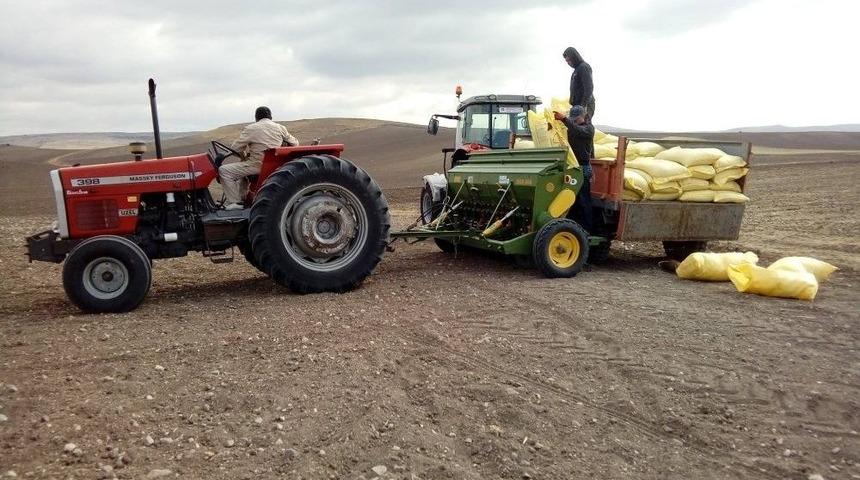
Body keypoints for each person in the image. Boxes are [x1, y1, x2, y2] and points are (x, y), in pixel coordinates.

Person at [219, 106, 299, 210]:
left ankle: (235, 202)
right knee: (243, 174)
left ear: (256, 117)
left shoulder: (251, 128)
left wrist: (244, 154)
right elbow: (295, 144)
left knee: (224, 171)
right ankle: (244, 199)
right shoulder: (280, 128)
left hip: (257, 165)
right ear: (271, 117)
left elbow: (235, 148)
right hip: (275, 166)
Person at [553, 105, 594, 233]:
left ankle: (587, 230)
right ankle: (573, 228)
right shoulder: (572, 128)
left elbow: (577, 131)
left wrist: (564, 119)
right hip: (572, 167)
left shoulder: (588, 129)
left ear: (583, 116)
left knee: (584, 200)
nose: (574, 121)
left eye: (576, 118)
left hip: (582, 168)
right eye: (573, 119)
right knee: (571, 200)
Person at [563, 46, 595, 120]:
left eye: (569, 60)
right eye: (566, 61)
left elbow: (589, 88)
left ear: (574, 57)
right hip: (577, 106)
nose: (568, 63)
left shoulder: (583, 67)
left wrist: (583, 106)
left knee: (582, 125)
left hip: (584, 105)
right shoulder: (576, 70)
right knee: (574, 125)